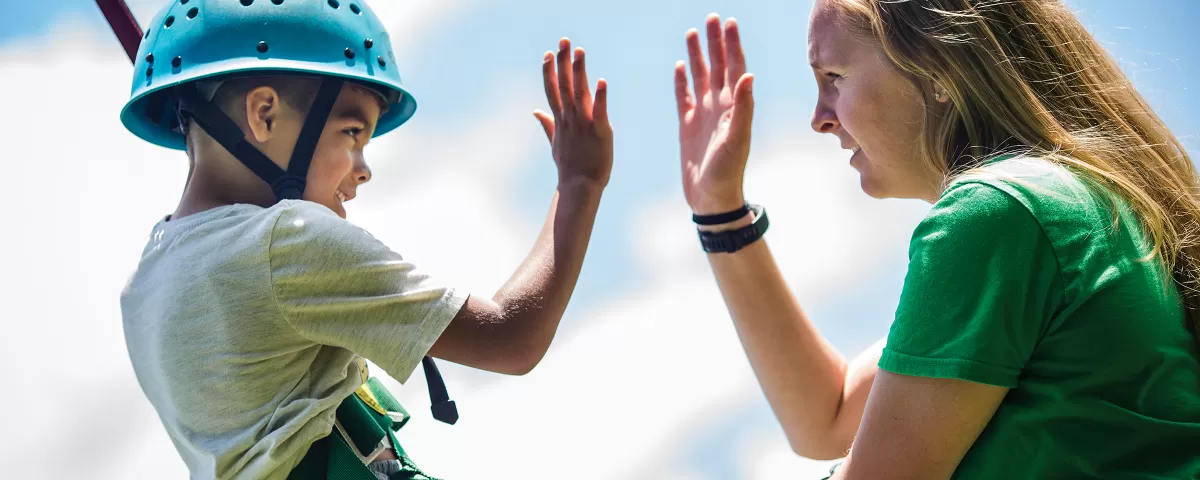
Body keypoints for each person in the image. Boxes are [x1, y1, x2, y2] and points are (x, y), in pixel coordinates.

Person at [671, 1, 1200, 478]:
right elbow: (829, 415)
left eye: (833, 75)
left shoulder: (999, 212)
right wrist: (720, 210)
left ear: (937, 67)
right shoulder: (1068, 201)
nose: (819, 118)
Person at [117, 1, 612, 479]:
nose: (363, 169)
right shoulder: (287, 242)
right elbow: (511, 338)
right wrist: (579, 184)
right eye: (352, 134)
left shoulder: (146, 283)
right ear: (263, 114)